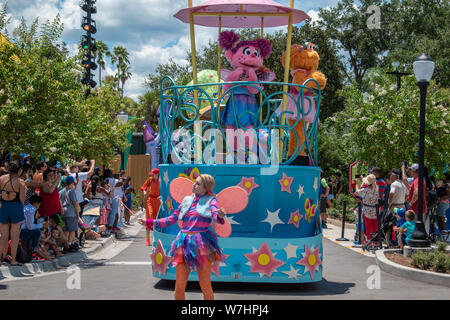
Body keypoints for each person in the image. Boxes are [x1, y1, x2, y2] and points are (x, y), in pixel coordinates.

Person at [138, 174, 227, 300]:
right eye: (194, 182)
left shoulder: (211, 200)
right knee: (179, 286)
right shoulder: (186, 201)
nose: (194, 185)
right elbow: (171, 219)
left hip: (201, 244)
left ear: (206, 188)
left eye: (198, 183)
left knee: (205, 285)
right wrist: (150, 222)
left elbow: (215, 214)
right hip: (184, 243)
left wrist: (220, 215)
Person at [0, 161, 26, 266]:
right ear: (19, 170)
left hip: (3, 207)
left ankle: (1, 258)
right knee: (15, 236)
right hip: (16, 207)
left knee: (4, 236)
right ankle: (13, 260)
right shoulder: (21, 182)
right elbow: (22, 199)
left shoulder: (1, 179)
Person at [60, 176, 83, 249]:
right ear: (72, 182)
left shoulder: (61, 191)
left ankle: (65, 244)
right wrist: (78, 215)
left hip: (63, 212)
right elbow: (75, 203)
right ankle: (69, 245)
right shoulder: (71, 191)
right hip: (71, 212)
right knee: (72, 230)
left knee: (66, 230)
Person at [355, 174, 379, 242]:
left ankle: (369, 241)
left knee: (368, 227)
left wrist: (356, 183)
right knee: (375, 226)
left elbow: (357, 191)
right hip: (375, 210)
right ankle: (375, 241)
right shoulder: (377, 188)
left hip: (367, 210)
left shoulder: (365, 190)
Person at [140, 168, 161, 245]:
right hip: (150, 199)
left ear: (157, 174)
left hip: (158, 201)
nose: (152, 176)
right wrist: (145, 192)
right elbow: (143, 187)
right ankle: (148, 239)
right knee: (149, 216)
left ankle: (155, 239)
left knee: (156, 220)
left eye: (153, 174)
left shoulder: (161, 180)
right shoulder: (149, 180)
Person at [20, 194, 43, 258]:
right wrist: (41, 225)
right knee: (38, 232)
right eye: (39, 204)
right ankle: (34, 249)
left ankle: (30, 252)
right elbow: (30, 227)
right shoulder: (31, 210)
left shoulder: (26, 207)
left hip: (21, 229)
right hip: (21, 231)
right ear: (36, 203)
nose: (39, 206)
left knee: (33, 233)